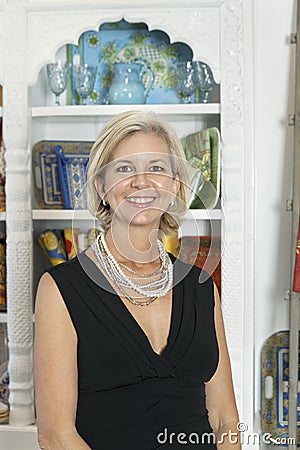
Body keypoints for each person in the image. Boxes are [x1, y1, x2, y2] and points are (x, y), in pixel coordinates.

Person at [34, 110, 241, 450]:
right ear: (101, 186)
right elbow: (56, 436)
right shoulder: (60, 289)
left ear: (175, 185)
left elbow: (225, 419)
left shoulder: (202, 287)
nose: (141, 182)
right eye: (125, 169)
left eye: (157, 168)